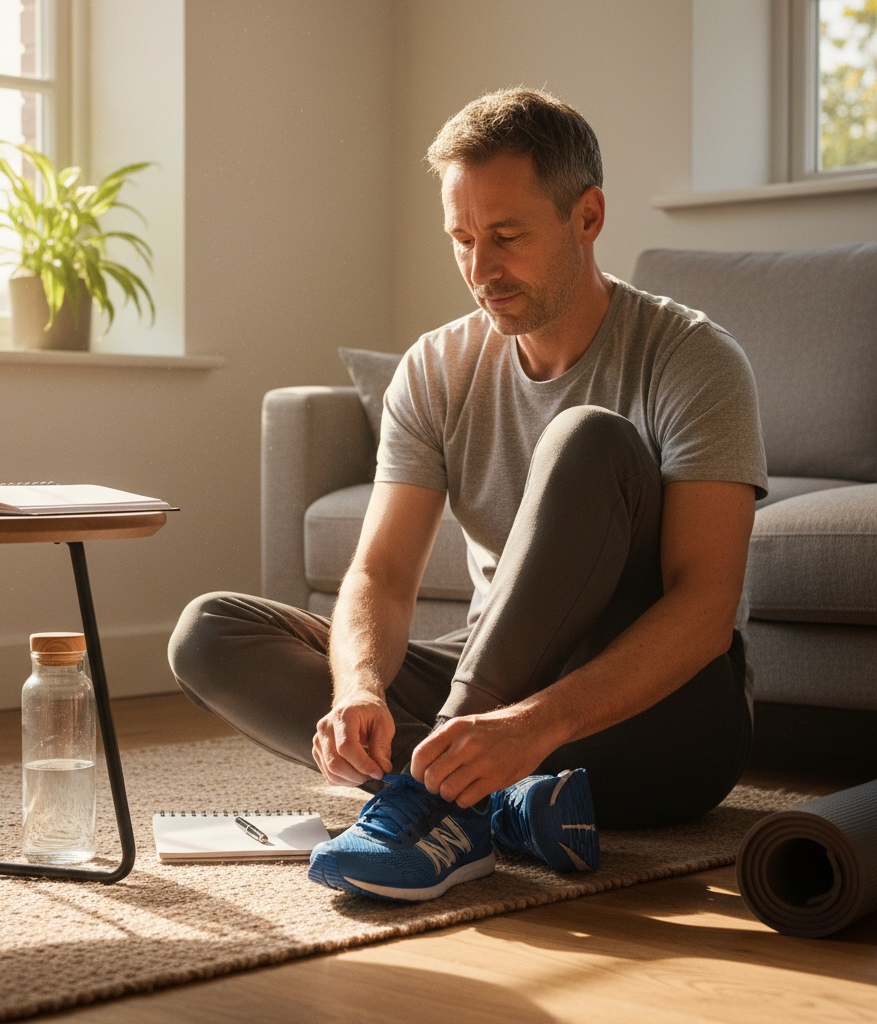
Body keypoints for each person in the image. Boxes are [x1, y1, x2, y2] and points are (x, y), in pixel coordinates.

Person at [169, 87, 767, 903]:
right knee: (210, 632)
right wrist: (358, 692)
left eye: (509, 237)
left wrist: (531, 725)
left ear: (586, 217)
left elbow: (704, 609)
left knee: (589, 438)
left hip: (662, 720)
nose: (481, 270)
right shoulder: (437, 366)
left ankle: (429, 796)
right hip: (496, 682)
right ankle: (502, 805)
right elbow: (380, 575)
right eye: (462, 239)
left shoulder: (693, 357)